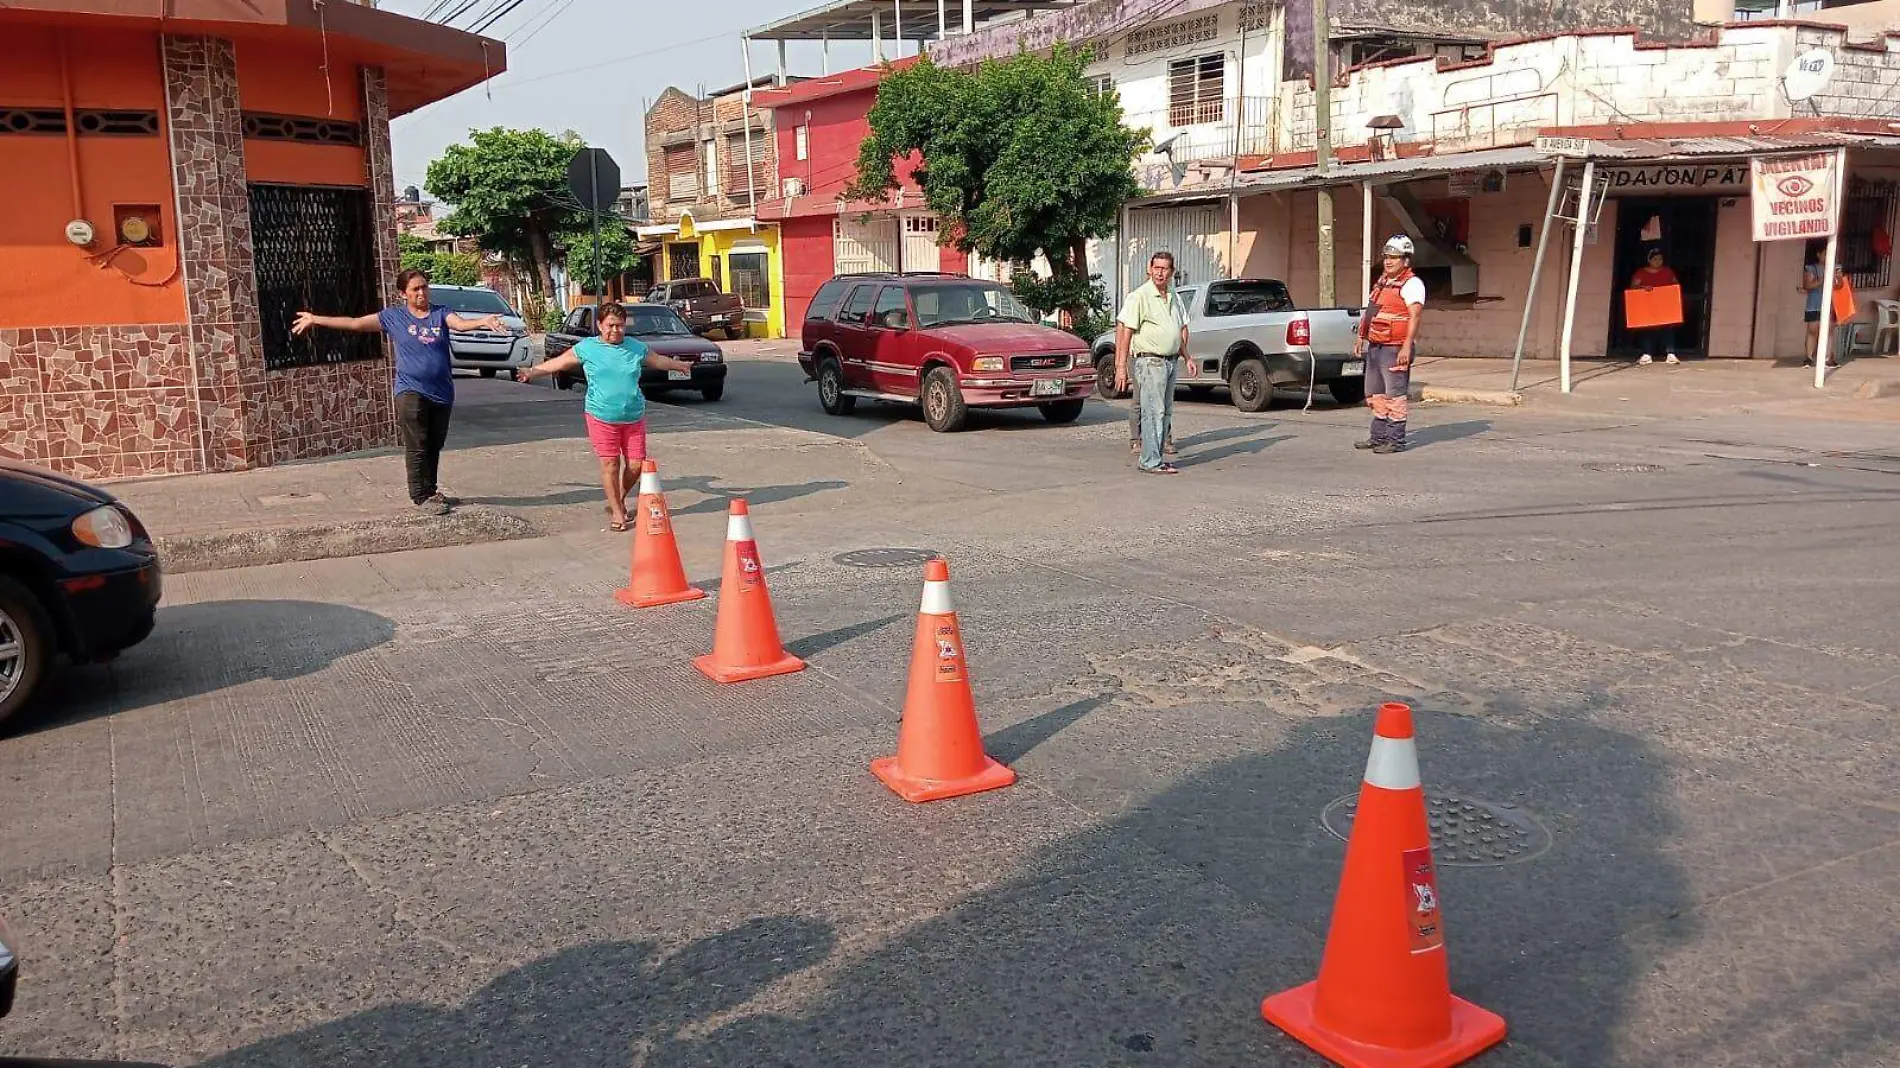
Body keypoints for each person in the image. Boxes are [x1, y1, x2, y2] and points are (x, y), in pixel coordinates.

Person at [292, 269, 509, 515]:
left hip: (442, 392)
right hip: (410, 390)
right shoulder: (393, 317)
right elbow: (355, 323)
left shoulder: (441, 313)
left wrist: (483, 321)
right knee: (417, 441)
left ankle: (431, 489)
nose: (421, 293)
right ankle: (420, 495)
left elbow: (459, 325)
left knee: (434, 443)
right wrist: (316, 319)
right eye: (415, 289)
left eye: (424, 287)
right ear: (403, 293)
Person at [513, 302, 697, 531]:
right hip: (601, 416)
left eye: (620, 326)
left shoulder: (635, 347)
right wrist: (531, 372)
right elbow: (558, 363)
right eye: (610, 325)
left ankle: (618, 498)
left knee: (636, 466)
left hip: (633, 416)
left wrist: (679, 365)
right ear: (600, 325)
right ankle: (618, 513)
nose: (615, 330)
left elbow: (658, 360)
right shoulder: (588, 348)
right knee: (611, 464)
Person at [1115, 252, 1191, 475]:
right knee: (1152, 412)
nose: (1160, 272)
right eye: (1156, 267)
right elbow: (1125, 331)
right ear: (1149, 268)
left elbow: (1178, 331)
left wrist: (1187, 356)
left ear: (1172, 272)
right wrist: (1121, 367)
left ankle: (1156, 457)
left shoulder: (1174, 296)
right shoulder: (1140, 296)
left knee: (1164, 412)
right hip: (1150, 361)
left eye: (1165, 268)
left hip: (1169, 361)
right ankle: (1149, 460)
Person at [1353, 235, 1426, 454]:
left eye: (1394, 257)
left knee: (1395, 395)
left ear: (1406, 260)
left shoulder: (1412, 284)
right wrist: (1361, 336)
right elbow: (1371, 311)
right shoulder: (1382, 283)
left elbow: (1415, 317)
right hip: (1376, 346)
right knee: (1375, 393)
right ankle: (1378, 437)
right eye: (1386, 257)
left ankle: (1396, 441)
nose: (1389, 261)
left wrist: (1406, 346)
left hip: (1395, 347)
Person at [1629, 247, 1680, 365]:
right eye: (1655, 259)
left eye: (1660, 259)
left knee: (1668, 328)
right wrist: (1644, 288)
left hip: (1664, 305)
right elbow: (1633, 287)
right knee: (1647, 329)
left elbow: (1675, 284)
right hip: (1647, 306)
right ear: (1649, 260)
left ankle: (1670, 353)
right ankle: (1647, 354)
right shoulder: (1641, 273)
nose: (1658, 261)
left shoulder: (1667, 271)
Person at [1800, 246, 1842, 369]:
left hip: (1830, 304)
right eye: (1825, 254)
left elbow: (1840, 285)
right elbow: (1808, 285)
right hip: (1814, 304)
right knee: (1812, 330)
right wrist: (1824, 278)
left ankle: (1827, 358)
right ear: (1819, 254)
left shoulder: (1837, 267)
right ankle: (1809, 357)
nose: (1827, 256)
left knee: (1829, 331)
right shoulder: (1811, 268)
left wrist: (1837, 277)